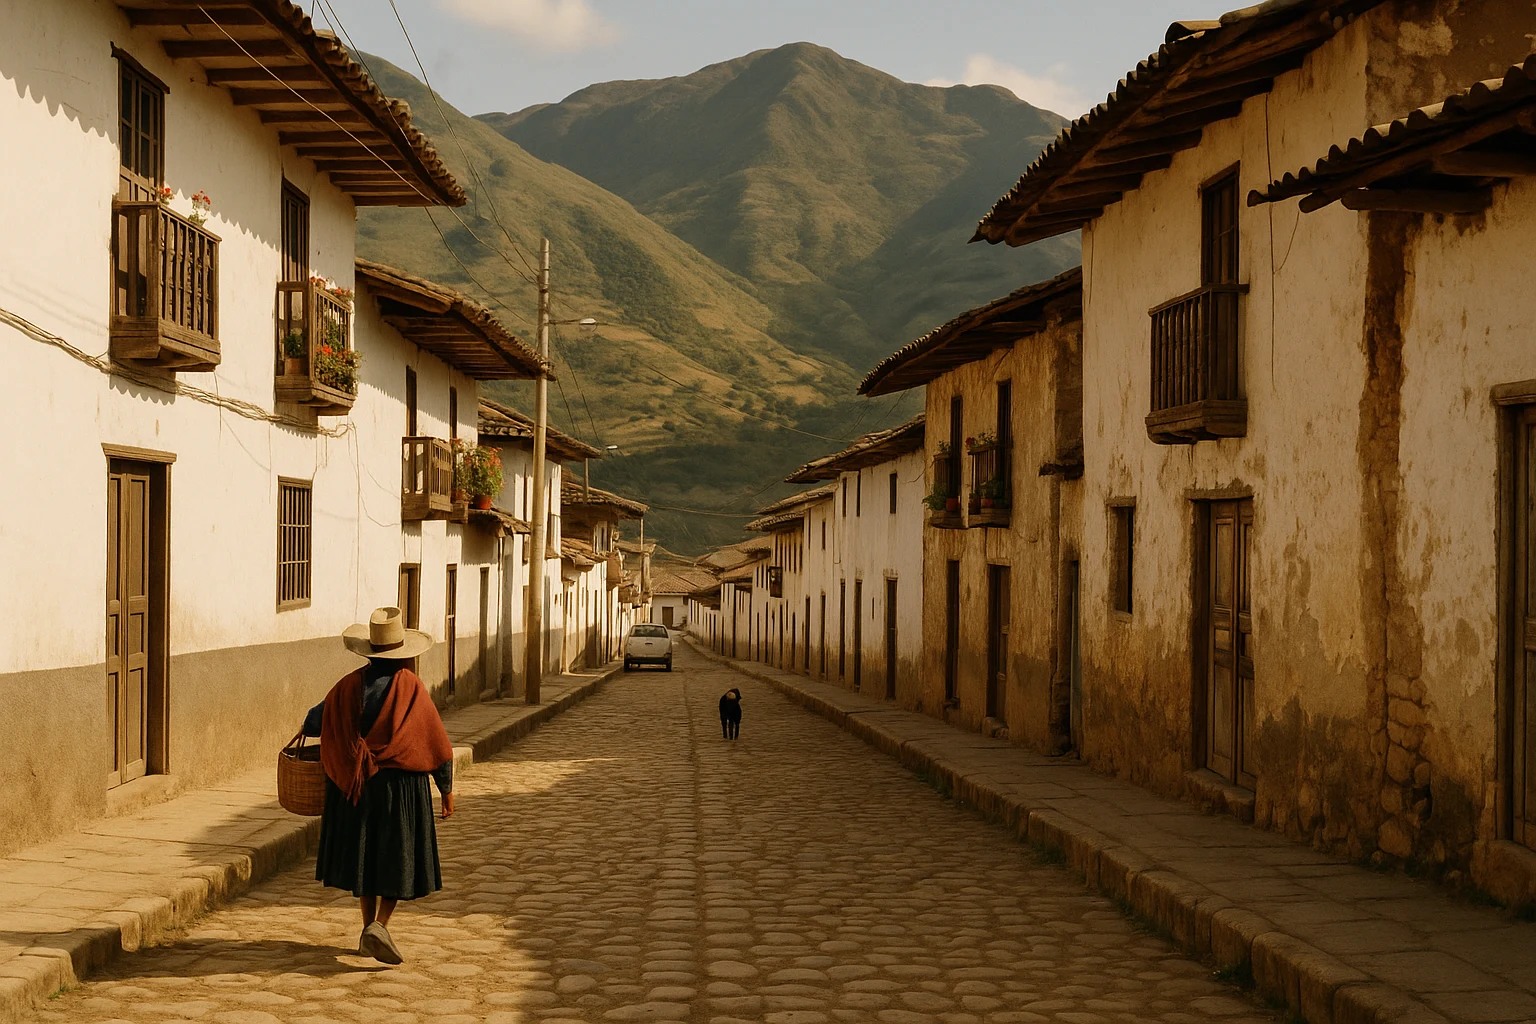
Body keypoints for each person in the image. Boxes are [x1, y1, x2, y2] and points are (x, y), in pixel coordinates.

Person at [301, 607, 455, 965]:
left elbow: (312, 722)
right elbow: (436, 742)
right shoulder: (411, 689)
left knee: (365, 859)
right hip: (399, 790)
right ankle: (378, 927)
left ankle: (368, 927)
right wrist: (445, 791)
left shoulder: (348, 686)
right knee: (394, 860)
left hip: (356, 788)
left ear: (368, 652)